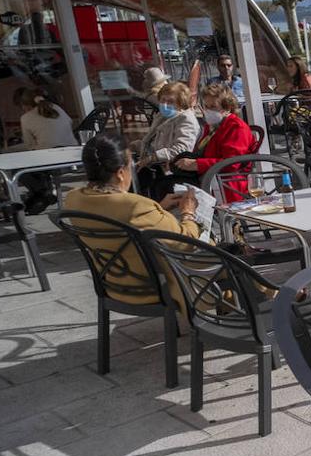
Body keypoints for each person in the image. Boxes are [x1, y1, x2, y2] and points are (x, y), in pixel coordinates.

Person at [61, 131, 202, 309]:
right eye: (131, 165)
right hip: (157, 286)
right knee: (231, 260)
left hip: (114, 284)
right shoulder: (135, 206)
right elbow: (186, 244)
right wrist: (188, 213)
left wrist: (158, 208)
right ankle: (228, 322)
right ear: (120, 173)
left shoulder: (74, 199)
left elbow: (121, 218)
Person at [170, 83, 254, 199]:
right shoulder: (213, 126)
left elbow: (232, 163)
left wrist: (196, 164)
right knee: (162, 184)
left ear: (227, 108)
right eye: (206, 106)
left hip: (226, 182)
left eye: (213, 107)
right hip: (209, 178)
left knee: (168, 188)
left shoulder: (236, 127)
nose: (207, 111)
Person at [14, 86, 77, 214]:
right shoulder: (57, 108)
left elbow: (30, 145)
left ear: (24, 105)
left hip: (50, 159)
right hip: (73, 154)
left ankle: (42, 192)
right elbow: (70, 123)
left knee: (15, 164)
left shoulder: (26, 118)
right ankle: (43, 192)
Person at [135, 81, 200, 199]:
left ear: (180, 103)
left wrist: (152, 158)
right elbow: (154, 141)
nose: (164, 104)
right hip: (154, 165)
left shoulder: (186, 119)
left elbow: (182, 149)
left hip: (171, 168)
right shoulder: (162, 117)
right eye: (162, 100)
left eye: (170, 102)